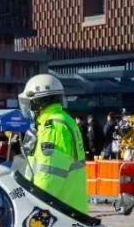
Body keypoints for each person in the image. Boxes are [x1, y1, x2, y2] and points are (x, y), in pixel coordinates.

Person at [19, 74, 89, 213]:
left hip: (57, 212)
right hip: (69, 207)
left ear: (38, 102)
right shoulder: (64, 119)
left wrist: (33, 206)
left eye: (30, 103)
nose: (29, 109)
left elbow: (49, 177)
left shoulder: (52, 127)